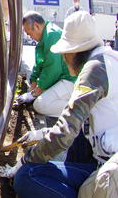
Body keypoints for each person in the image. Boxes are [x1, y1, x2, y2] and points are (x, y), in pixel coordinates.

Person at [8, 11, 118, 198]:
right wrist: (42, 133)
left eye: (65, 54)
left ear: (75, 51)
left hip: (111, 174)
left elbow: (66, 131)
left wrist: (28, 158)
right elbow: (80, 124)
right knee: (78, 143)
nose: (65, 59)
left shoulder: (94, 70)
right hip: (108, 155)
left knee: (26, 176)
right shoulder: (109, 59)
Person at [18, 11, 76, 117]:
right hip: (60, 78)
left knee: (40, 105)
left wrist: (35, 93)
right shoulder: (45, 37)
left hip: (69, 80)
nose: (30, 37)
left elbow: (52, 69)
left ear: (36, 26)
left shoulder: (52, 35)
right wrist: (33, 85)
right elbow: (39, 64)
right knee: (39, 99)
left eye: (29, 33)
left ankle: (82, 111)